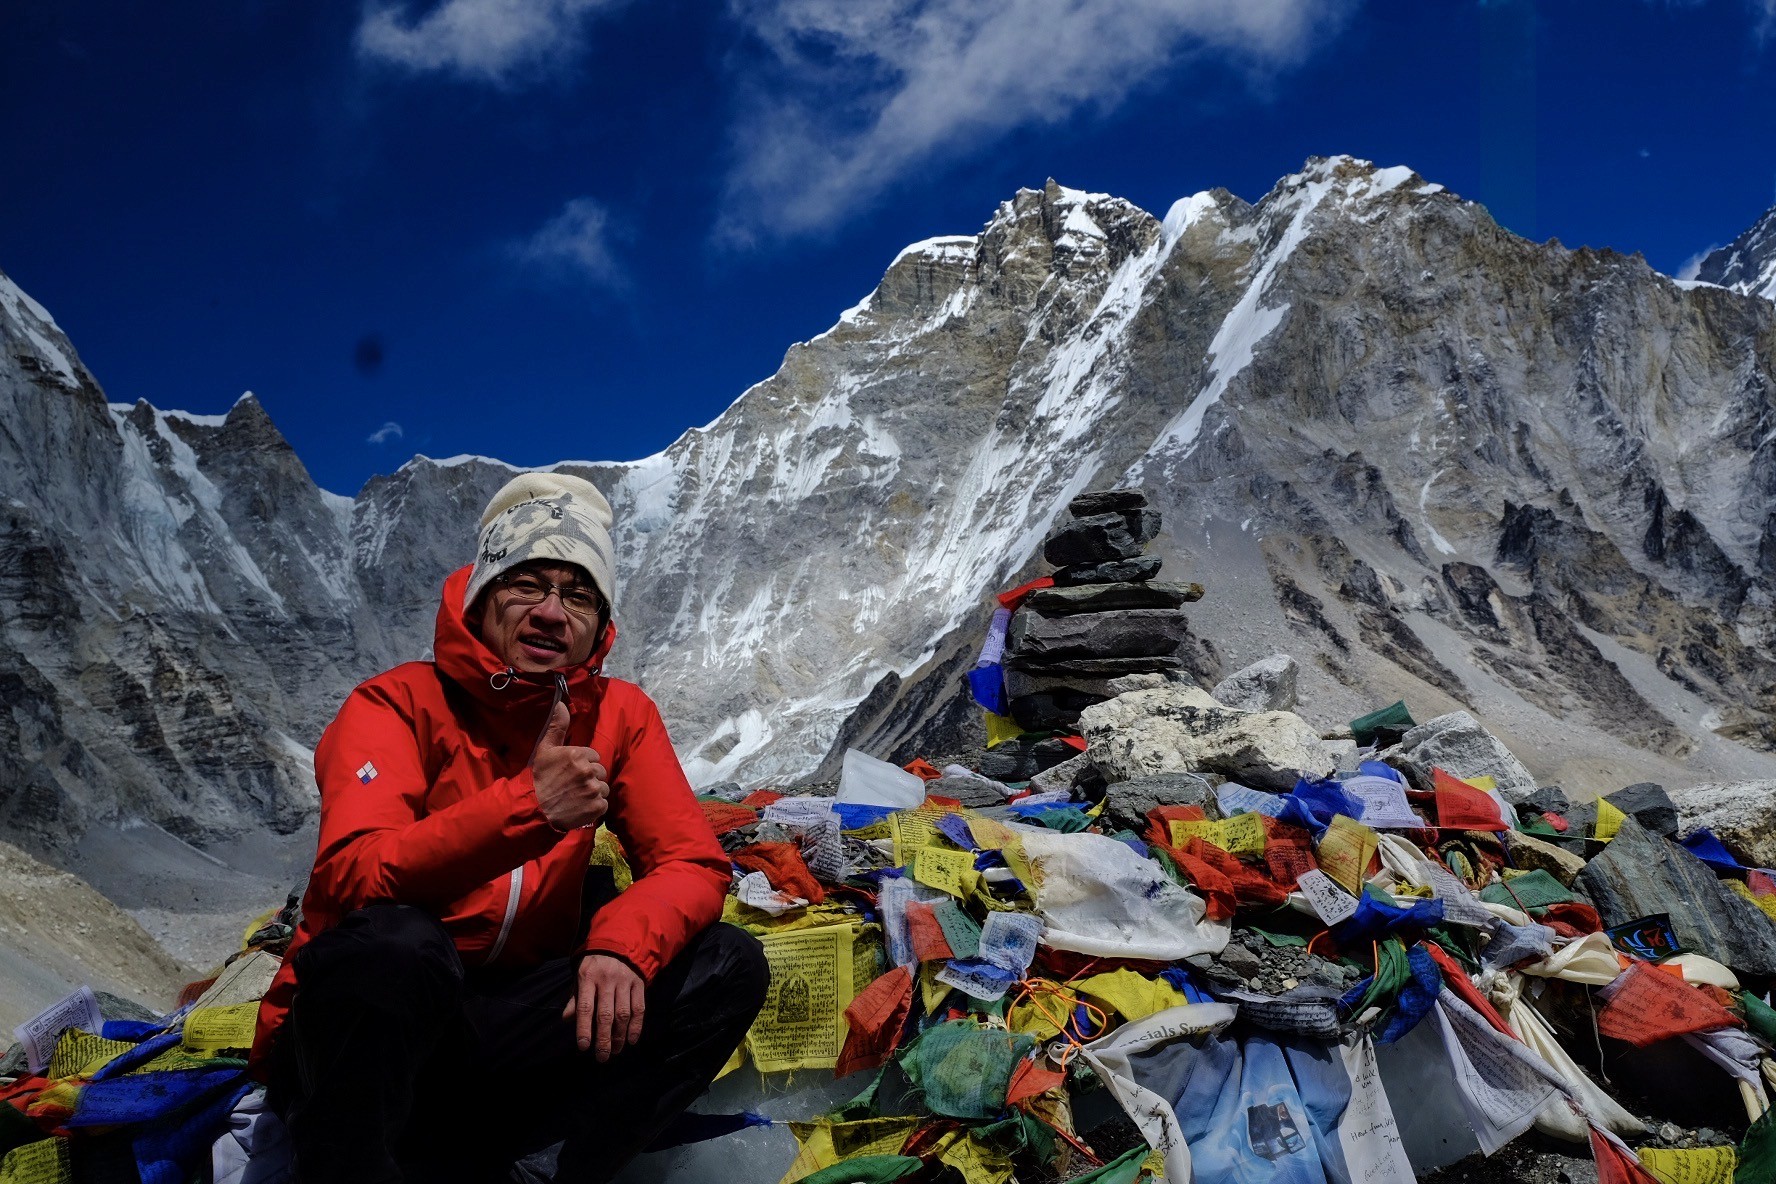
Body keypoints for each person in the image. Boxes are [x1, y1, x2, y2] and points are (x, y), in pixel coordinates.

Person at [252, 473, 768, 1184]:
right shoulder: (395, 703)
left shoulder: (620, 714)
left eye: (578, 594)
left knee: (726, 964)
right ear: (482, 597)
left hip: (509, 1024)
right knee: (396, 948)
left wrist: (620, 950)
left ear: (600, 625)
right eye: (527, 585)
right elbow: (353, 872)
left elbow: (693, 863)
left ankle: (534, 1174)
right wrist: (528, 808)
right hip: (374, 1037)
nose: (552, 613)